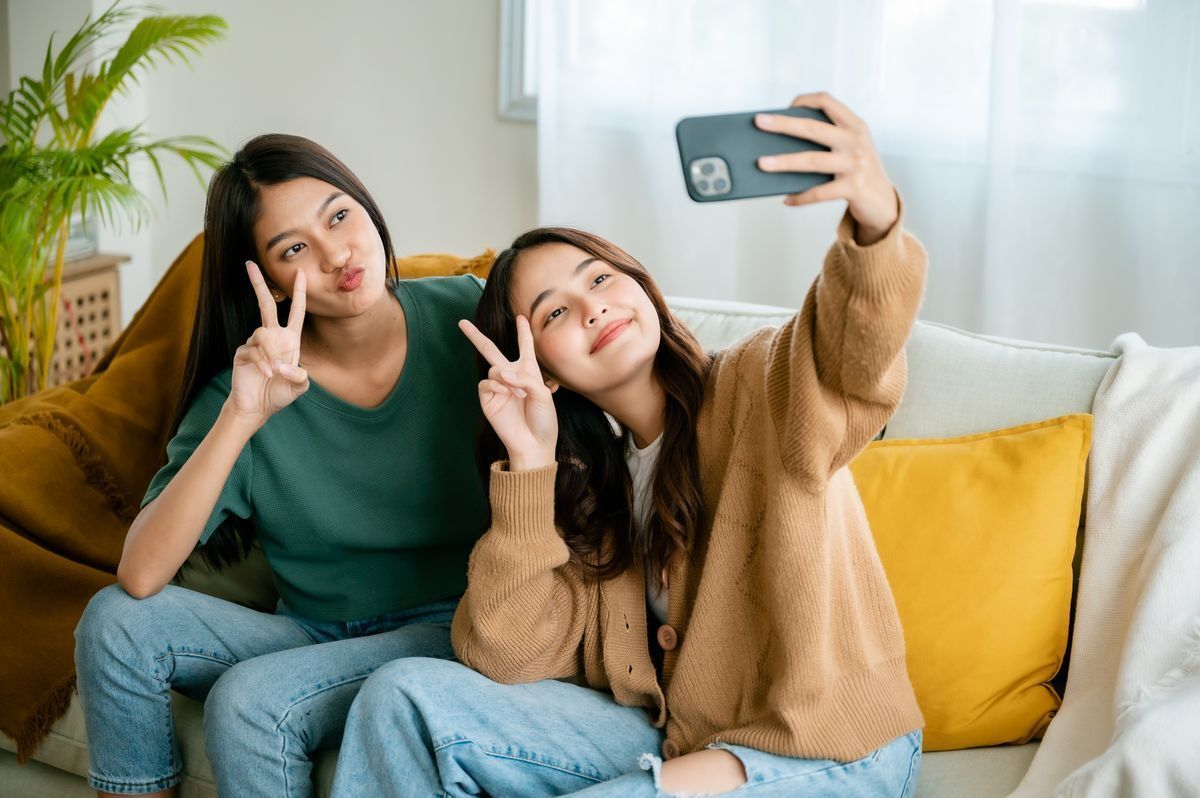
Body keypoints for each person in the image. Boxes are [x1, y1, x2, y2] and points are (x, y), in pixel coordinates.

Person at [330, 92, 929, 797]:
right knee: (400, 695)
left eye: (601, 279)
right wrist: (529, 466)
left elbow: (854, 356)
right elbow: (508, 653)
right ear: (543, 368)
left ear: (641, 287)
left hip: (829, 749)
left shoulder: (762, 387)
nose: (593, 307)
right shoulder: (588, 484)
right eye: (555, 310)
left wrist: (875, 219)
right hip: (680, 736)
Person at [73, 134, 488, 798]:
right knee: (114, 623)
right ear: (262, 278)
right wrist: (243, 416)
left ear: (367, 207)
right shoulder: (251, 386)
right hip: (310, 631)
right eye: (292, 248)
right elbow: (142, 574)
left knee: (251, 699)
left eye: (339, 216)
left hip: (454, 625)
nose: (335, 254)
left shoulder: (474, 316)